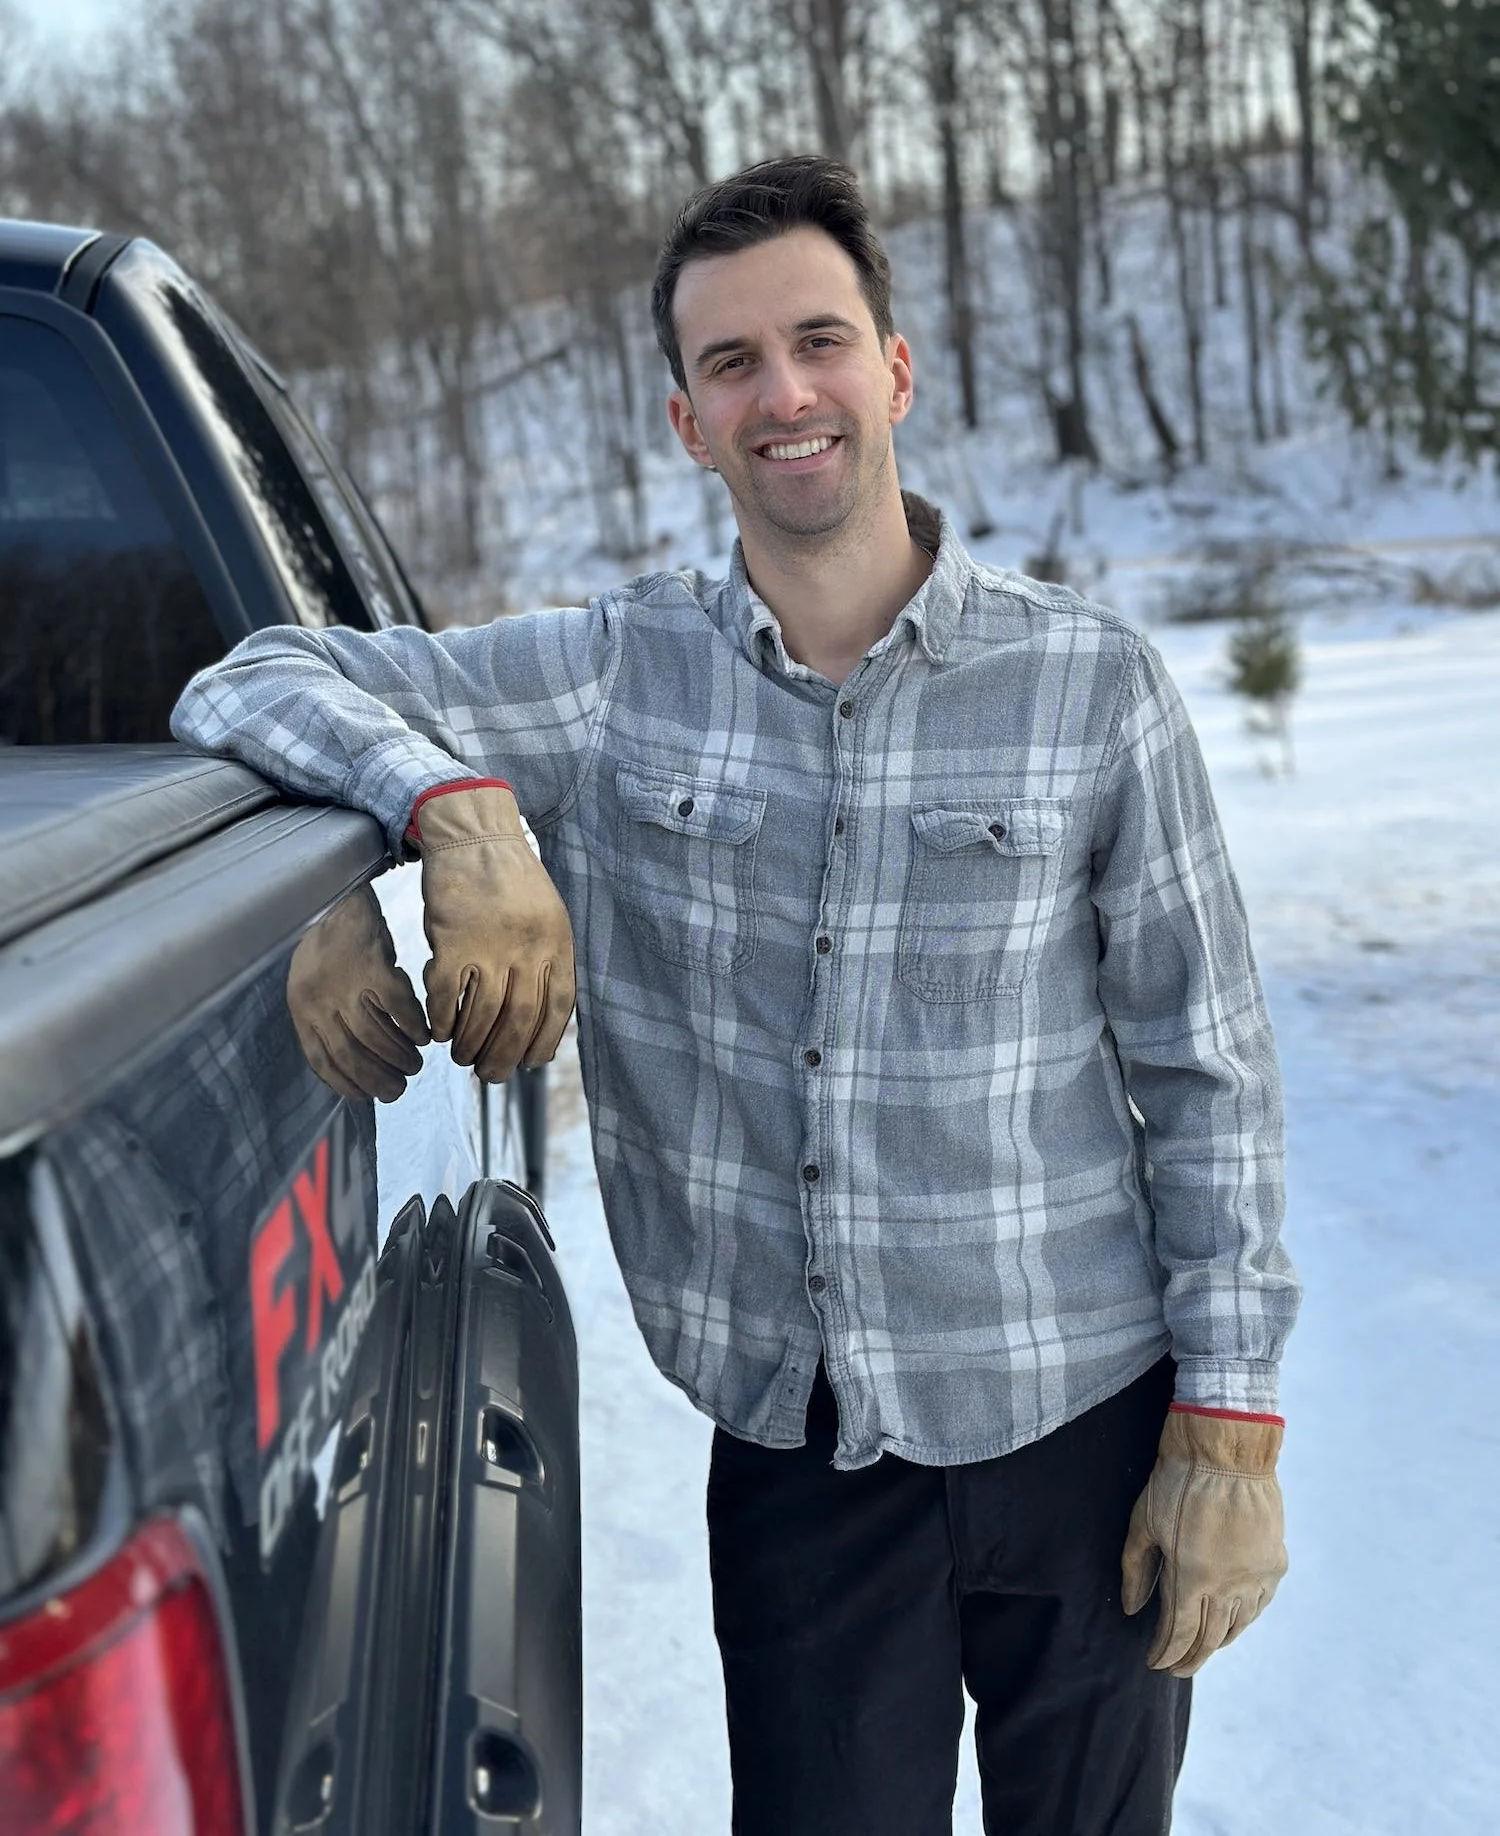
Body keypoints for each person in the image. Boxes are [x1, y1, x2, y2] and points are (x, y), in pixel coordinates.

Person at [174, 154, 1298, 1836]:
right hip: (802, 1457)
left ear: (894, 372)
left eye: (820, 342)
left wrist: (1233, 1430)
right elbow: (254, 672)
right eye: (731, 365)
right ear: (689, 424)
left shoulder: (1092, 688)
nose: (787, 394)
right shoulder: (617, 676)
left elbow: (1209, 1074)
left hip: (1087, 1421)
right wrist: (430, 830)